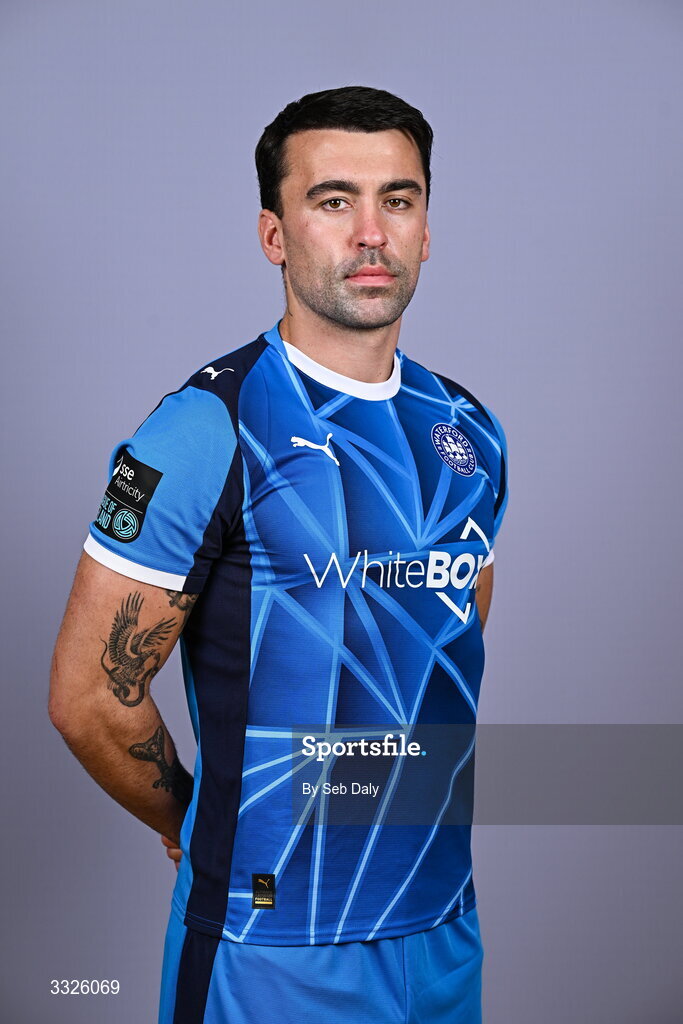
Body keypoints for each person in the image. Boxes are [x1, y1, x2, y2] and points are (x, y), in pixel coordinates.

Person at [49, 85, 508, 1024]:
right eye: (333, 200)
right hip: (271, 948)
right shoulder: (202, 429)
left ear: (426, 230)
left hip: (440, 929)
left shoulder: (468, 429)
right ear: (274, 234)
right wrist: (193, 820)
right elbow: (89, 697)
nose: (371, 231)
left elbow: (447, 634)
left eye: (399, 199)